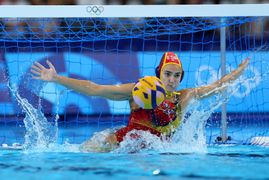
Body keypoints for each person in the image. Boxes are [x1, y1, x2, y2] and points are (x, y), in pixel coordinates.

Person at [31, 52, 249, 152]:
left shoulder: (184, 97)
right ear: (158, 74)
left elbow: (217, 86)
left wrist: (238, 73)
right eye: (167, 74)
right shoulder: (139, 91)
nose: (172, 80)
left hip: (158, 152)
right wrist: (57, 78)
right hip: (119, 146)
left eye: (176, 75)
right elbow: (95, 89)